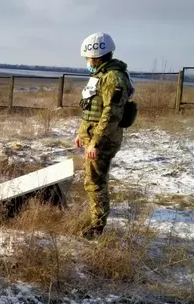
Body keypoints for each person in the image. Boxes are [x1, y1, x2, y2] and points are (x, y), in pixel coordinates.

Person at [74, 32, 135, 239]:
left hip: (103, 140)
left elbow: (111, 114)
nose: (87, 62)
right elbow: (92, 108)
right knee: (93, 179)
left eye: (88, 59)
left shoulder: (113, 77)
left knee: (95, 182)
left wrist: (96, 143)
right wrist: (82, 133)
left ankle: (97, 227)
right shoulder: (101, 75)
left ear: (96, 56)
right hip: (94, 138)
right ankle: (97, 219)